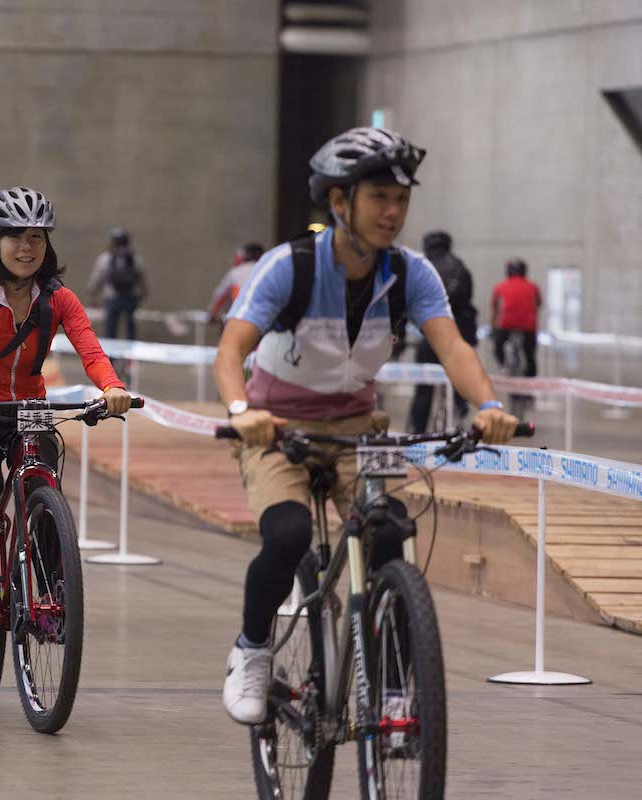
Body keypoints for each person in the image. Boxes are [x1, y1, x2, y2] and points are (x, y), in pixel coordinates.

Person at [213, 127, 519, 725]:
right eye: (379, 196)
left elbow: (452, 347)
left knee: (389, 534)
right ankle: (251, 650)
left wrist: (488, 405)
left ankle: (396, 687)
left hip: (357, 427)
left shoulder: (410, 274)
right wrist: (240, 413)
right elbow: (230, 351)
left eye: (401, 199)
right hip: (277, 426)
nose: (393, 212)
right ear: (338, 201)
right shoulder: (288, 268)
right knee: (287, 534)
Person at [0, 187, 130, 626]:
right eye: (15, 236)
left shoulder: (59, 299)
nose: (26, 247)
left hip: (30, 408)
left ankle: (54, 592)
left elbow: (91, 353)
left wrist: (113, 387)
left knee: (44, 488)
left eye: (37, 237)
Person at [407, 230, 479, 432]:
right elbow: (467, 301)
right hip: (458, 336)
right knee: (459, 381)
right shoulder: (459, 267)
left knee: (423, 390)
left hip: (429, 337)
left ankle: (417, 432)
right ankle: (459, 410)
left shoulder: (421, 268)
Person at [89, 227, 147, 341]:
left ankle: (110, 357)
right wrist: (143, 293)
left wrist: (93, 293)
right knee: (131, 329)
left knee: (110, 329)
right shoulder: (135, 258)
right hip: (131, 297)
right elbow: (141, 278)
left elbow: (96, 278)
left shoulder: (105, 258)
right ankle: (131, 357)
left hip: (112, 297)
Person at [490, 258, 542, 377]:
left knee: (498, 346)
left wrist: (493, 327)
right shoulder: (533, 287)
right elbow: (538, 304)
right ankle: (531, 377)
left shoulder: (500, 287)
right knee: (530, 354)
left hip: (506, 324)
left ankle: (503, 365)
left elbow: (495, 308)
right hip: (529, 325)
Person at [209, 242, 265, 323]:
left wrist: (212, 315)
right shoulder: (267, 270)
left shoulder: (236, 273)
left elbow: (220, 296)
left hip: (241, 320)